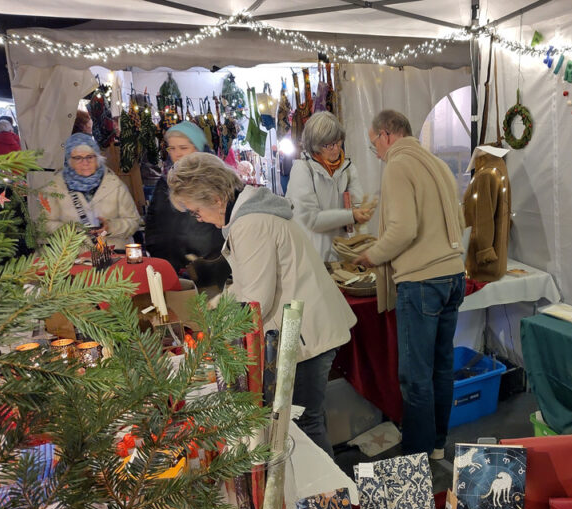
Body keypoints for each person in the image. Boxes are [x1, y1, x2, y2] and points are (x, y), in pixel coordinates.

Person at [167, 152, 356, 457]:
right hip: (303, 328)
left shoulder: (251, 223)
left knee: (304, 427)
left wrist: (216, 328)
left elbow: (255, 302)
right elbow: (249, 283)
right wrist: (215, 305)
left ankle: (325, 487)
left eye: (196, 211)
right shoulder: (250, 215)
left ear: (216, 198)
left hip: (304, 336)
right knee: (308, 420)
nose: (198, 218)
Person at [354, 110, 465, 459]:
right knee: (441, 368)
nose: (376, 152)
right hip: (452, 276)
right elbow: (457, 220)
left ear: (387, 135)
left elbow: (403, 230)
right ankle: (436, 446)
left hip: (422, 281)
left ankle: (416, 456)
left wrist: (371, 255)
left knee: (416, 376)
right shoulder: (438, 164)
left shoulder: (399, 165)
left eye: (374, 143)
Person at [144, 122, 228, 283]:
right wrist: (157, 253)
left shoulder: (215, 179)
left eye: (183, 148)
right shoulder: (165, 182)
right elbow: (153, 222)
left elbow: (223, 224)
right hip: (171, 268)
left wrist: (209, 259)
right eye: (172, 148)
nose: (177, 154)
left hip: (209, 268)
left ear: (198, 148)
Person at [285, 111, 373, 261]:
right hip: (311, 257)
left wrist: (361, 219)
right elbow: (311, 219)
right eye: (329, 145)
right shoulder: (302, 169)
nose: (336, 149)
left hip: (341, 254)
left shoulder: (348, 169)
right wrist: (351, 215)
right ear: (315, 146)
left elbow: (357, 207)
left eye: (338, 142)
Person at [42, 133, 140, 249]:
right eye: (78, 158)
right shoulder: (55, 187)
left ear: (98, 159)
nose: (85, 162)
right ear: (69, 161)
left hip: (112, 253)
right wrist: (73, 230)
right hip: (71, 255)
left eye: (90, 157)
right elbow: (44, 224)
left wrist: (110, 227)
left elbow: (134, 222)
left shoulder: (115, 185)